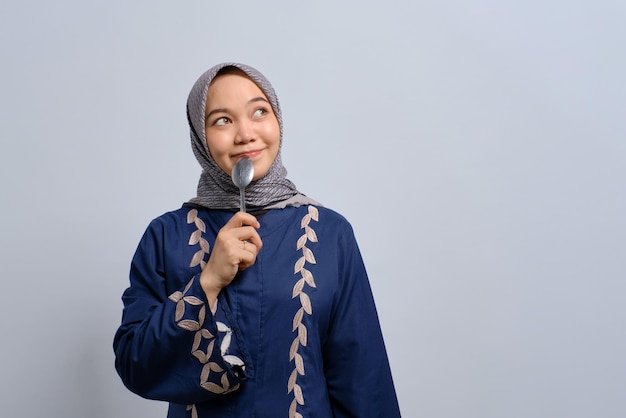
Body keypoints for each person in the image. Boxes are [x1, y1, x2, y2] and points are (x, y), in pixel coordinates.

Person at [113, 62, 401, 418]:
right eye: (222, 120)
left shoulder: (329, 234)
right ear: (199, 136)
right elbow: (136, 366)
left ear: (277, 119)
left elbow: (363, 381)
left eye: (259, 112)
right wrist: (207, 281)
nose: (245, 134)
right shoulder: (165, 236)